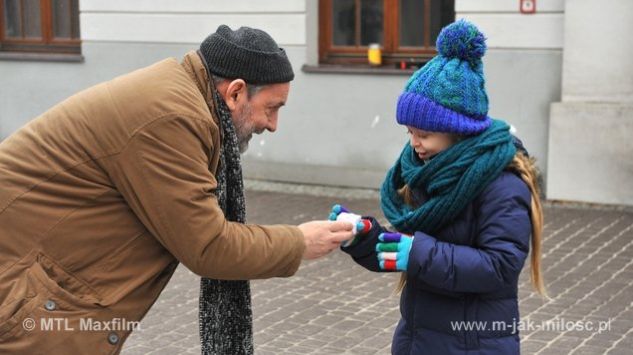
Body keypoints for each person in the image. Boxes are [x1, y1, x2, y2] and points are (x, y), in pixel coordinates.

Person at [0, 25, 353, 354]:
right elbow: (208, 246)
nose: (272, 125)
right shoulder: (171, 117)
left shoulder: (180, 96)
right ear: (236, 92)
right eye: (271, 108)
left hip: (36, 287)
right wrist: (299, 242)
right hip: (22, 298)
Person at [330, 20, 546, 354]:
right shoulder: (429, 172)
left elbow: (500, 266)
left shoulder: (502, 183)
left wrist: (416, 252)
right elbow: (408, 250)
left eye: (424, 134)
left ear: (456, 130)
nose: (414, 143)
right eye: (409, 132)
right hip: (419, 339)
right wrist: (363, 236)